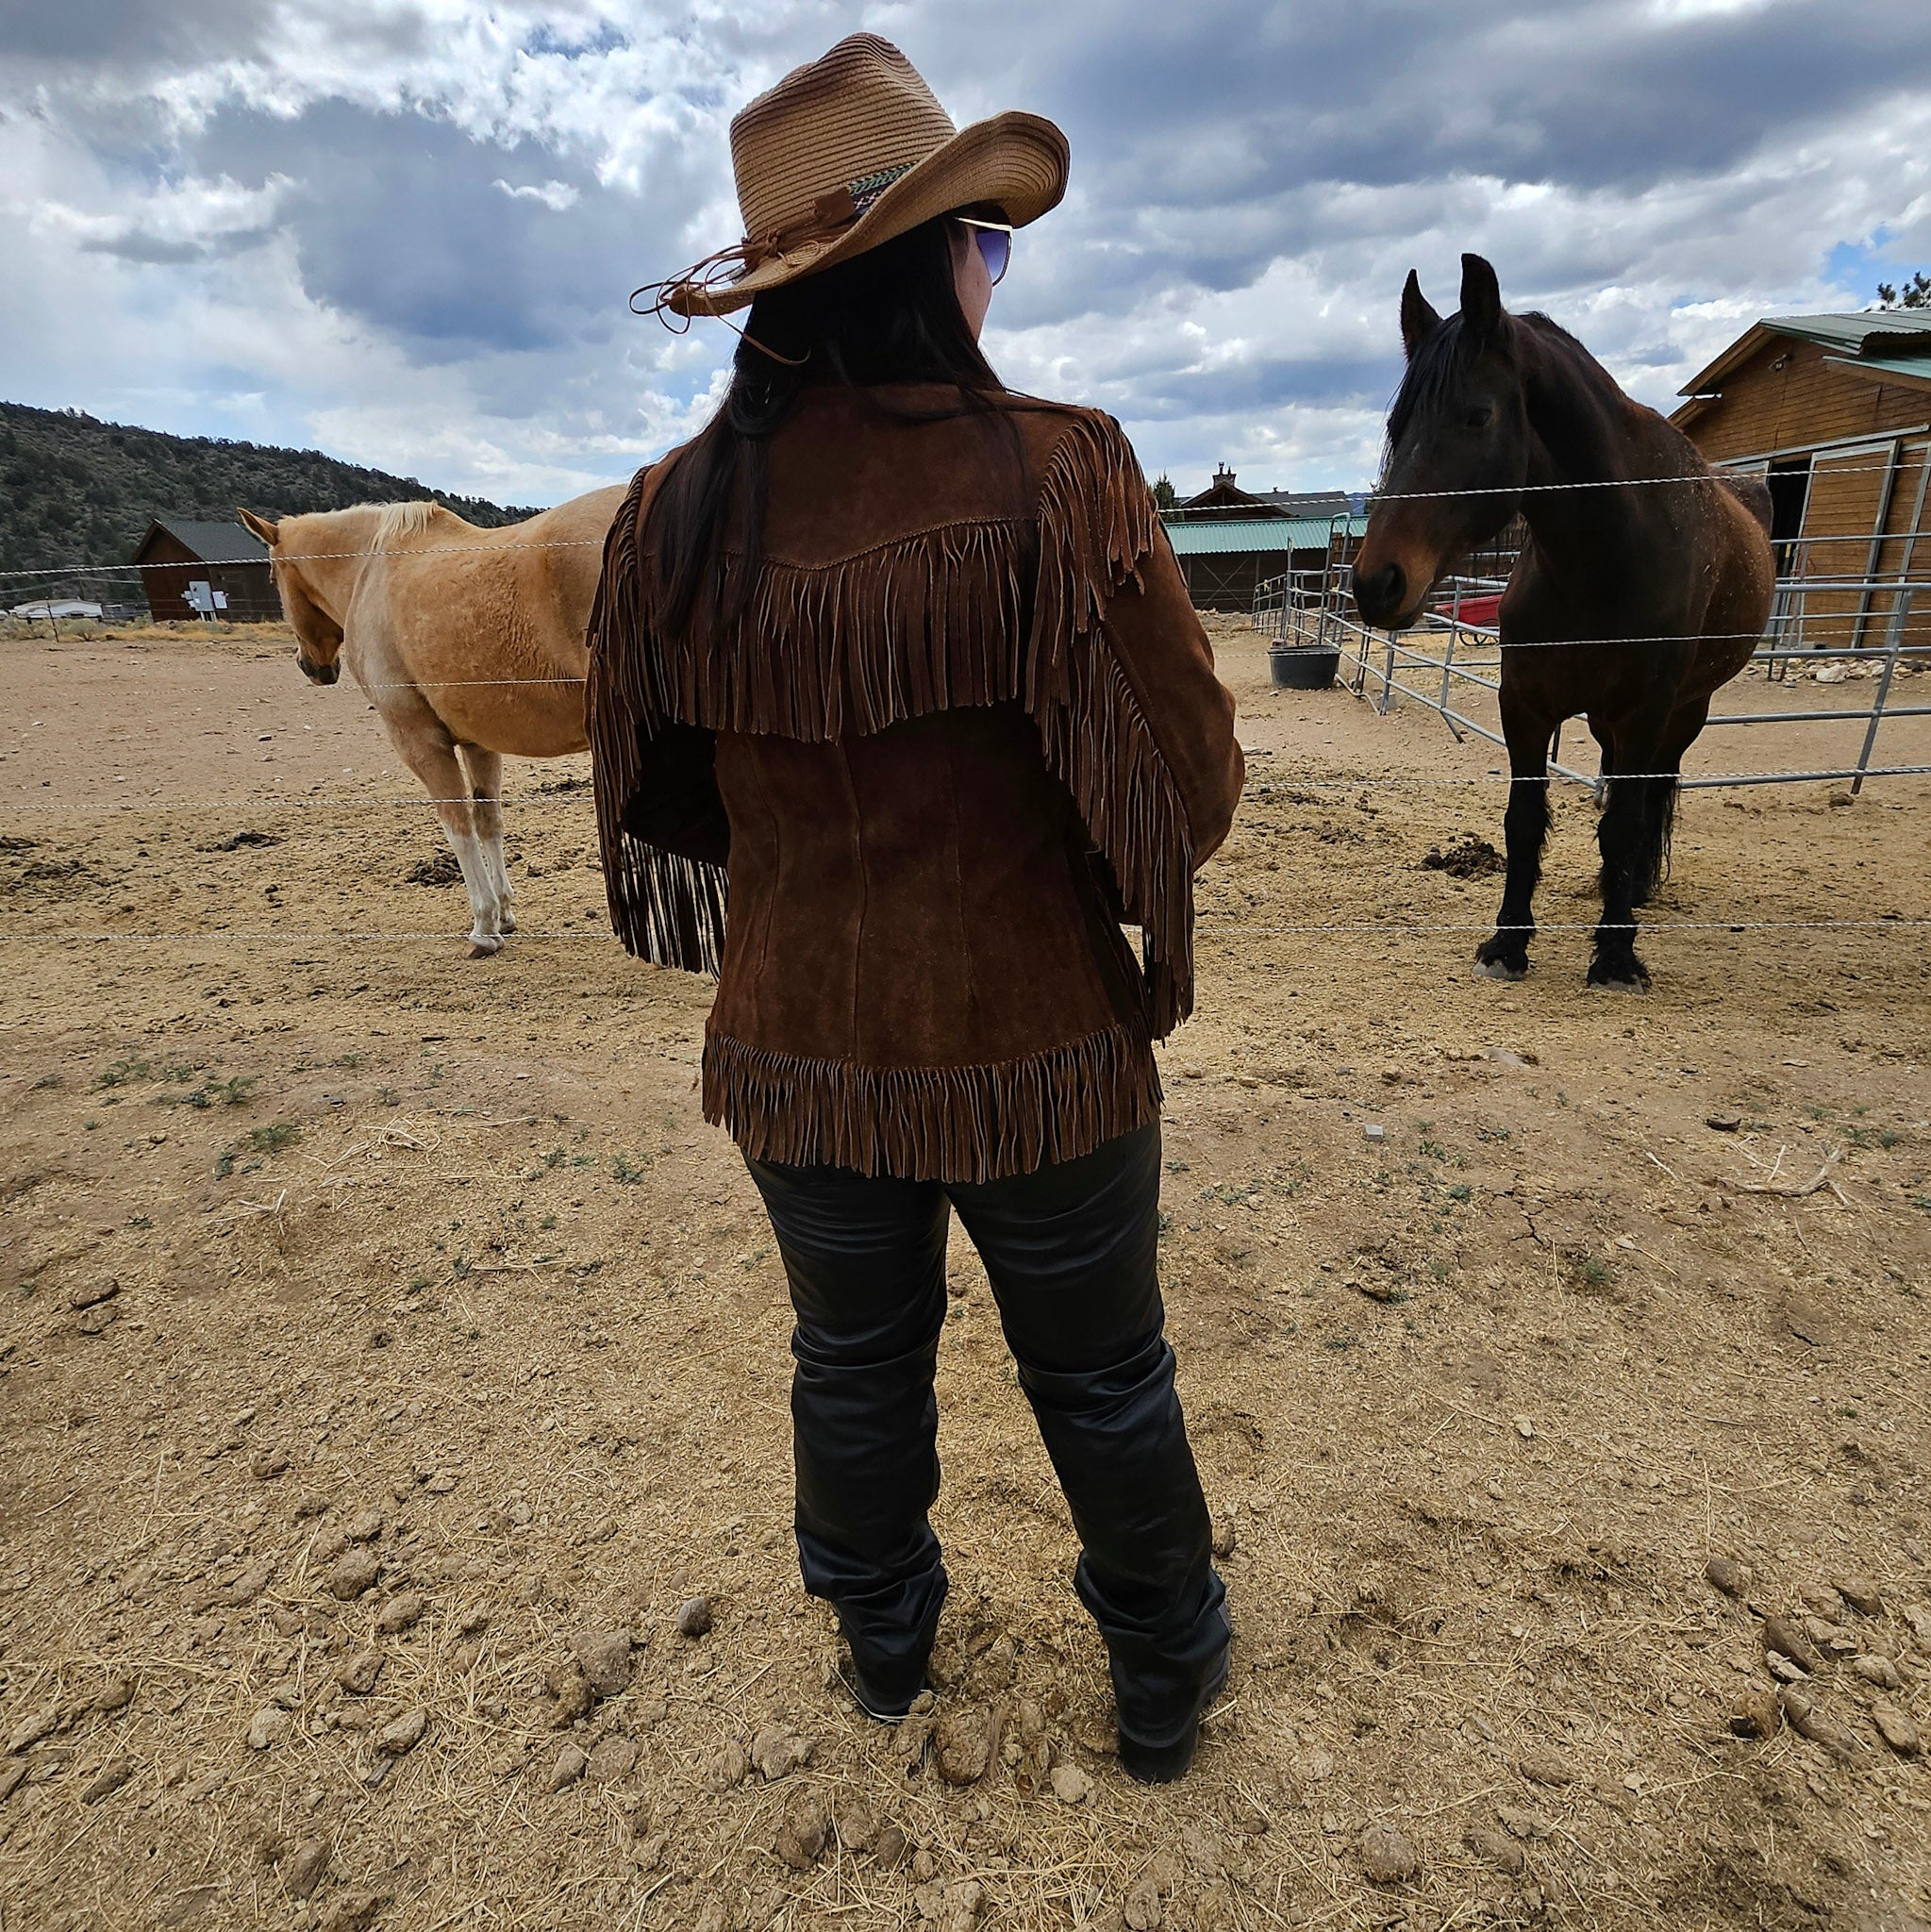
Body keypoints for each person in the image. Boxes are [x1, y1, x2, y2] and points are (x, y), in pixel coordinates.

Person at [587, 33, 1243, 1783]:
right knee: (1103, 1378)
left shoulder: (671, 521)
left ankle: (884, 1648)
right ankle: (1166, 1678)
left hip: (798, 1048)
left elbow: (655, 790)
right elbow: (1185, 785)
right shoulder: (1063, 470)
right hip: (1038, 1045)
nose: (993, 269)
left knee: (851, 1363)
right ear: (932, 259)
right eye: (987, 241)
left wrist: (812, 865)